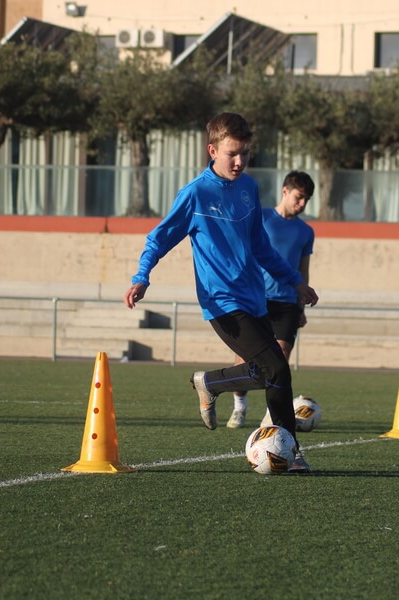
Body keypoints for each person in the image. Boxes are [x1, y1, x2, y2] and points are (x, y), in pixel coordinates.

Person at [122, 112, 319, 473]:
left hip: (254, 297)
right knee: (277, 368)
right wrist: (142, 276)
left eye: (245, 152)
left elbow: (261, 247)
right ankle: (293, 453)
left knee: (268, 373)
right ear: (213, 150)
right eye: (232, 153)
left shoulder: (249, 188)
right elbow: (159, 238)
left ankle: (209, 382)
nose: (240, 161)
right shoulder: (195, 194)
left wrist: (294, 280)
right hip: (222, 302)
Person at [226, 171, 316, 429]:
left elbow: (303, 268)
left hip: (287, 302)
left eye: (307, 200)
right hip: (256, 298)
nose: (302, 204)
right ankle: (239, 407)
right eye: (299, 197)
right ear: (285, 191)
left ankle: (271, 416)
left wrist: (301, 303)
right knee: (245, 359)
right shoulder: (261, 218)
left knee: (280, 360)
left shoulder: (306, 232)